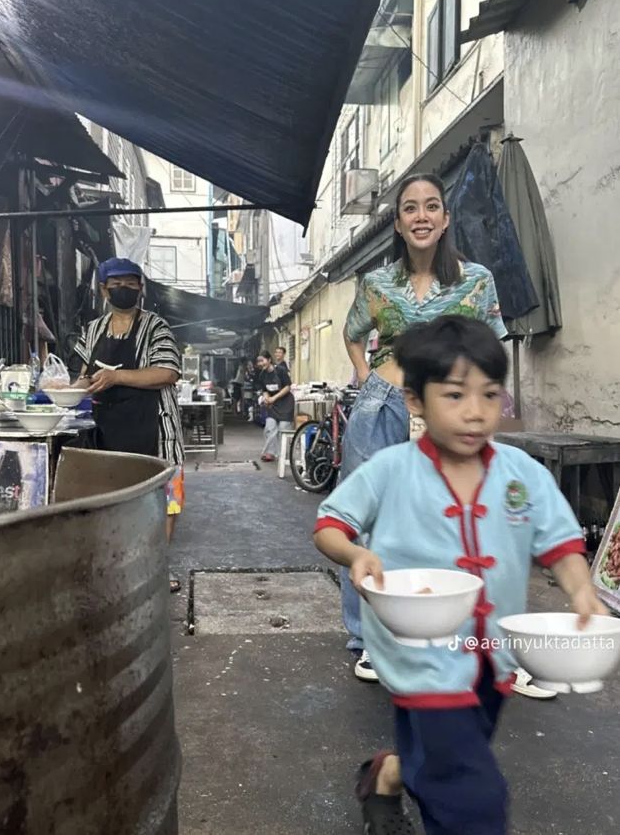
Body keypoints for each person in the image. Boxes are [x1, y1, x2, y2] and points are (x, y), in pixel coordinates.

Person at [314, 316, 608, 835]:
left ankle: (387, 774)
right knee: (472, 797)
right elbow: (331, 526)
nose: (475, 413)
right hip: (419, 651)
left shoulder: (523, 474)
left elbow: (560, 543)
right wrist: (355, 555)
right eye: (454, 395)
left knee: (449, 751)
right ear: (414, 402)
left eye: (490, 395)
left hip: (491, 655)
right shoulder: (391, 470)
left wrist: (582, 589)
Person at [339, 172, 549, 697]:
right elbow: (352, 333)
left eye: (432, 206)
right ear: (399, 221)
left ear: (446, 217)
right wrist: (367, 380)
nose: (422, 216)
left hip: (452, 416)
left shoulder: (477, 280)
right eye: (410, 208)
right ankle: (369, 642)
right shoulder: (375, 284)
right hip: (383, 408)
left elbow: (493, 349)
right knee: (369, 524)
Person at [73, 257, 185, 592]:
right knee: (115, 503)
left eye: (131, 283)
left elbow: (167, 372)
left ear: (141, 287)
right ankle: (120, 571)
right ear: (103, 289)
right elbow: (84, 377)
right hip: (108, 431)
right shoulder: (93, 330)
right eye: (117, 284)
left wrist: (116, 375)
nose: (125, 289)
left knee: (166, 499)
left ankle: (157, 569)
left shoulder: (156, 327)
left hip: (155, 428)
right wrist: (68, 389)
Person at [257, 350, 294, 461]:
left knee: (283, 429)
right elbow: (264, 389)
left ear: (269, 360)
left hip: (286, 403)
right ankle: (270, 453)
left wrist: (274, 398)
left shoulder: (280, 370)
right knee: (270, 427)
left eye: (262, 360)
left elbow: (287, 387)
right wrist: (267, 397)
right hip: (273, 405)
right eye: (258, 361)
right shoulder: (262, 375)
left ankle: (282, 454)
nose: (260, 363)